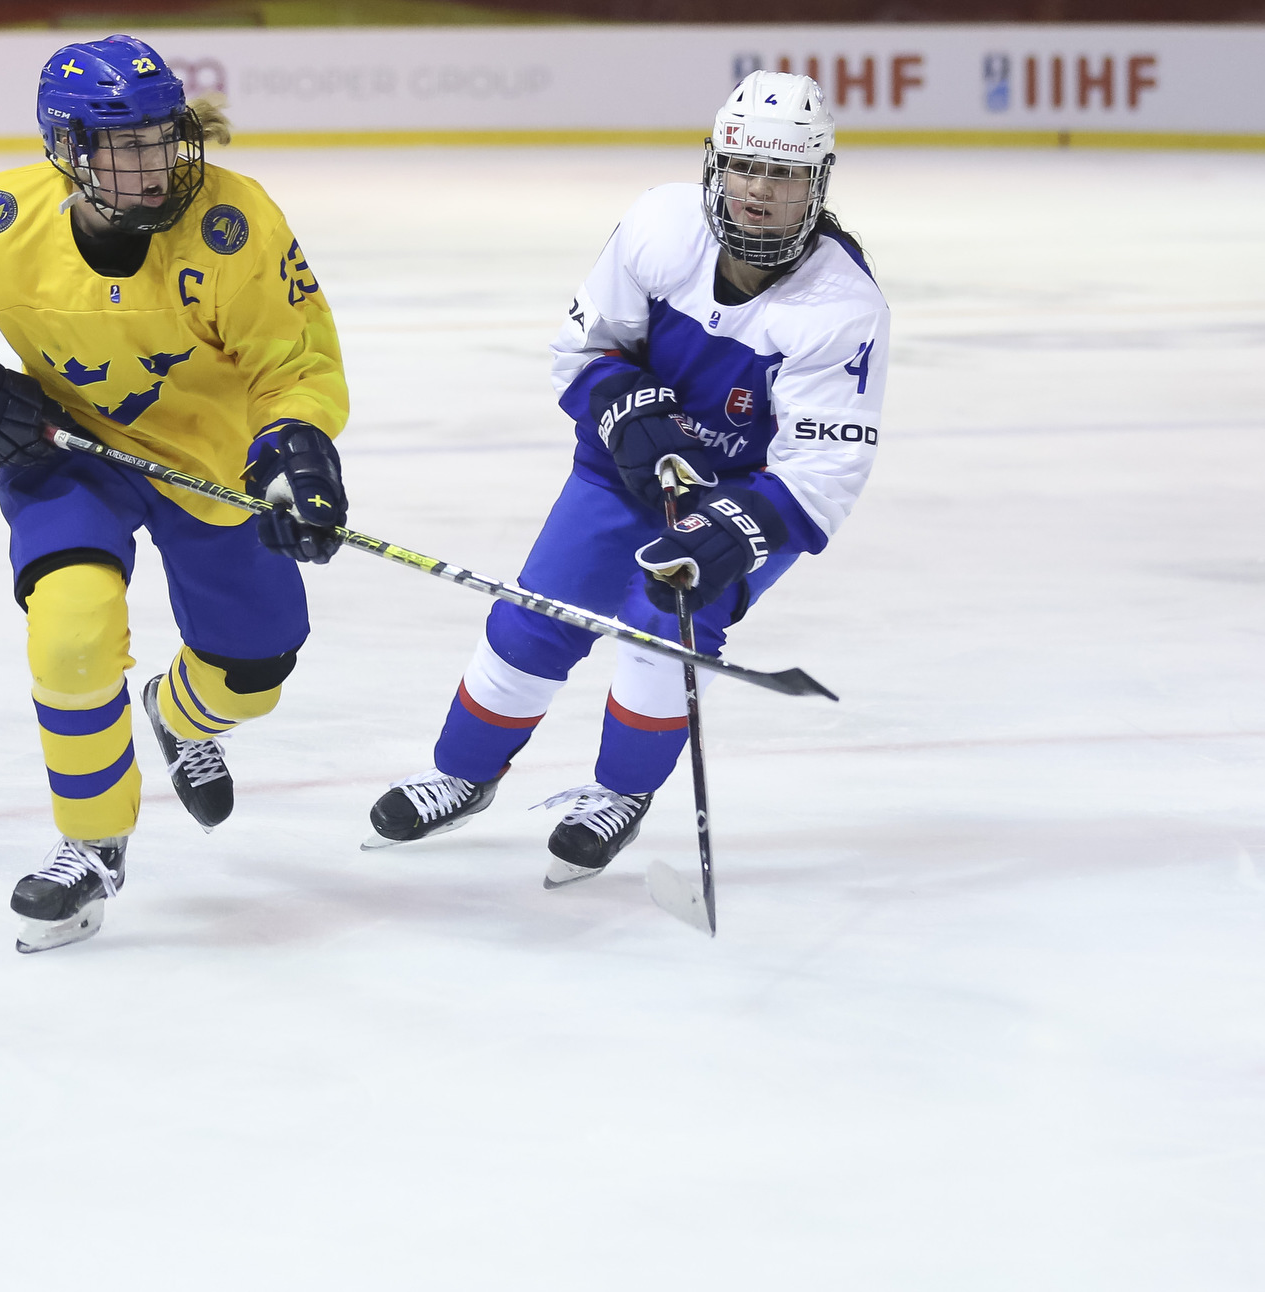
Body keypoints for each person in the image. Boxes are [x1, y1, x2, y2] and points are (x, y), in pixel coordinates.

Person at [0, 36, 348, 952]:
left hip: (210, 463)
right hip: (69, 454)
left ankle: (179, 716)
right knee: (69, 641)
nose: (154, 166)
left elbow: (294, 362)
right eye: (125, 145)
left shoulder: (235, 223)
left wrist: (295, 448)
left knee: (256, 672)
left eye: (163, 138)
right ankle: (90, 847)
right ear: (68, 148)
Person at [364, 71, 888, 886]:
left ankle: (620, 794)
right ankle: (465, 774)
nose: (758, 192)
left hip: (741, 494)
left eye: (783, 175)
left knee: (661, 627)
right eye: (746, 167)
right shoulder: (661, 225)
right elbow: (585, 349)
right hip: (621, 469)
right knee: (535, 618)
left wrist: (729, 535)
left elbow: (824, 466)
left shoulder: (841, 306)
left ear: (816, 185)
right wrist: (624, 410)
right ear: (715, 164)